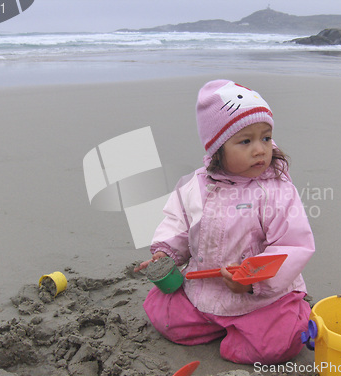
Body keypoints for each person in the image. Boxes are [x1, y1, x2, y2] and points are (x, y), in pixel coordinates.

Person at [135, 79, 315, 364]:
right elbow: (177, 223)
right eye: (246, 141)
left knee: (281, 341)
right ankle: (220, 325)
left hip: (261, 298)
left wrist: (253, 282)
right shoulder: (194, 186)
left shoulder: (277, 191)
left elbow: (292, 245)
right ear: (217, 148)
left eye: (265, 138)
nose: (260, 149)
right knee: (163, 316)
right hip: (206, 290)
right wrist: (165, 252)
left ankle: (269, 323)